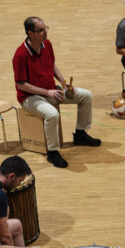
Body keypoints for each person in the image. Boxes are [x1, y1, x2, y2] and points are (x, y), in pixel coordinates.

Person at [13, 16, 100, 169]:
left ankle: (80, 134)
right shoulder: (20, 55)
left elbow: (52, 64)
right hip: (30, 97)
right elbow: (21, 85)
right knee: (52, 114)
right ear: (30, 33)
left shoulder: (46, 44)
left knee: (86, 96)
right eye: (40, 30)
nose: (45, 32)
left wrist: (63, 82)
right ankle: (52, 152)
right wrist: (47, 92)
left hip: (51, 90)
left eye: (46, 28)